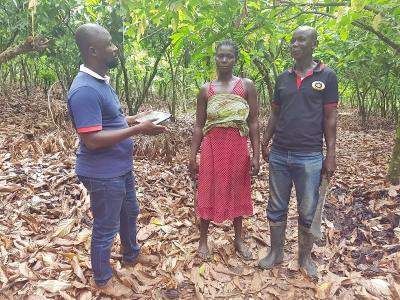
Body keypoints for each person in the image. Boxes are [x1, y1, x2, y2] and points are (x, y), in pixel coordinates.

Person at [67, 23, 166, 296]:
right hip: (102, 172)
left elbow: (109, 121)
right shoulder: (84, 90)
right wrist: (138, 129)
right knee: (105, 226)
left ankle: (131, 254)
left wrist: (134, 119)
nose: (115, 48)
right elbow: (92, 139)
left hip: (119, 167)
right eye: (109, 44)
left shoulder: (100, 82)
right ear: (93, 51)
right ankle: (102, 279)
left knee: (129, 212)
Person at [258, 26, 338, 280]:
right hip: (280, 154)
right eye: (292, 40)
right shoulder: (283, 78)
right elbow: (275, 112)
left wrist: (331, 154)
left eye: (301, 40)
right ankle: (276, 252)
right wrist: (265, 140)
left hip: (310, 156)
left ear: (314, 43)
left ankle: (304, 258)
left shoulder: (327, 76)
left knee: (307, 208)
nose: (295, 44)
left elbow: (330, 118)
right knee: (277, 205)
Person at [189, 40, 260, 261]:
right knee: (208, 187)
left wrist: (257, 155)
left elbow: (254, 122)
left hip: (238, 145)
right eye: (220, 56)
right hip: (212, 145)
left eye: (229, 56)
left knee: (237, 187)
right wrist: (192, 156)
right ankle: (203, 240)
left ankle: (238, 239)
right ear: (215, 58)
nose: (224, 60)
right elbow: (199, 125)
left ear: (235, 59)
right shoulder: (206, 89)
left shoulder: (246, 86)